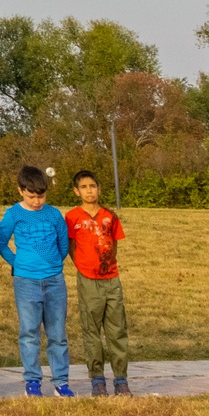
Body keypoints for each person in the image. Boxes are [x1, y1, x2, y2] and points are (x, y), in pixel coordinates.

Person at [0, 165, 73, 398]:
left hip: (54, 280)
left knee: (57, 333)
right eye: (31, 196)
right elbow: (0, 242)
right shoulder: (13, 214)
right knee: (29, 332)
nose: (37, 201)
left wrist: (54, 263)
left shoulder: (54, 214)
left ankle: (61, 382)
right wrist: (17, 263)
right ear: (20, 191)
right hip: (26, 281)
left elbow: (63, 243)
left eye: (41, 196)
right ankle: (32, 382)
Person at [66, 170, 130, 397]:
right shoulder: (72, 217)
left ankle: (121, 379)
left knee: (117, 329)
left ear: (99, 189)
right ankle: (97, 380)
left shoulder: (109, 216)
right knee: (91, 330)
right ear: (77, 191)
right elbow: (71, 247)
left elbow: (114, 245)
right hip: (88, 280)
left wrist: (108, 266)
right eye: (84, 187)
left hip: (111, 279)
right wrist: (83, 267)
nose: (89, 190)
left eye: (93, 186)